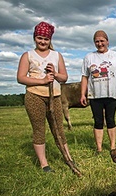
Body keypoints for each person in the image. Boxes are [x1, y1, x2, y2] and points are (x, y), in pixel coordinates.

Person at [17, 21, 72, 172]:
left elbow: (64, 78)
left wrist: (54, 74)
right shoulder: (28, 56)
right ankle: (44, 164)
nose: (42, 41)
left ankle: (68, 158)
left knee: (59, 129)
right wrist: (42, 81)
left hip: (54, 97)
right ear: (35, 37)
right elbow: (21, 78)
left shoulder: (56, 55)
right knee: (39, 129)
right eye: (40, 38)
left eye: (46, 39)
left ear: (50, 40)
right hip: (35, 96)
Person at [80, 30, 116, 153]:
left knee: (111, 119)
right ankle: (99, 148)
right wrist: (82, 94)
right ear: (94, 43)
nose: (100, 44)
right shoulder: (89, 58)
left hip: (112, 93)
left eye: (102, 41)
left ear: (107, 41)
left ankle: (112, 146)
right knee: (98, 121)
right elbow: (84, 77)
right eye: (97, 41)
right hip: (95, 94)